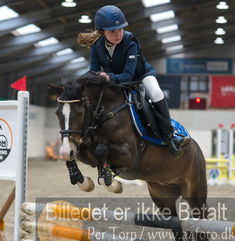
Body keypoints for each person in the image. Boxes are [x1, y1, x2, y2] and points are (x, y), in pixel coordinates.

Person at [77, 5, 190, 153]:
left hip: (141, 77)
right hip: (116, 80)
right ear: (102, 32)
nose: (118, 34)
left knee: (156, 93)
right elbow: (94, 71)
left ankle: (170, 135)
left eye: (120, 29)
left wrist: (108, 77)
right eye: (112, 31)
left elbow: (128, 76)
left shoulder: (130, 41)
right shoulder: (96, 46)